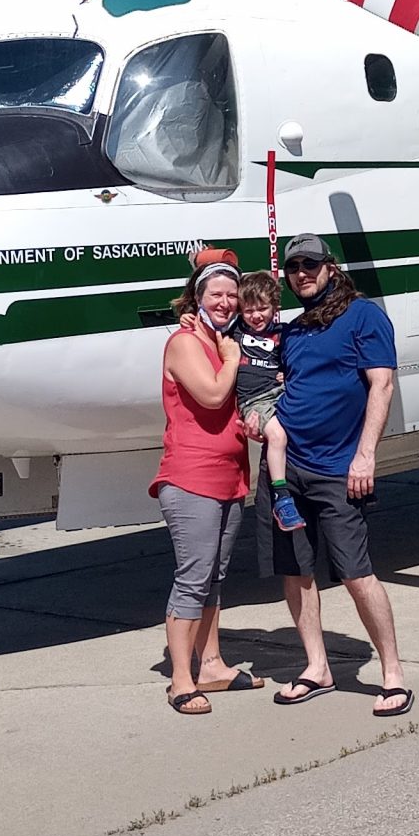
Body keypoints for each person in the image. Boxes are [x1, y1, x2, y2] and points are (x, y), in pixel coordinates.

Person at [266, 233, 411, 717]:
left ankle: (392, 674)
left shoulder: (364, 316)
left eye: (310, 264)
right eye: (293, 268)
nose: (301, 273)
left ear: (331, 267)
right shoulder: (294, 329)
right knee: (296, 573)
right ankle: (317, 667)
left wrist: (365, 455)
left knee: (356, 574)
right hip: (289, 473)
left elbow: (382, 385)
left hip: (337, 470)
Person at [150, 250, 262, 716]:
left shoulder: (219, 341)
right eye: (216, 294)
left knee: (214, 577)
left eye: (233, 294)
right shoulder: (185, 343)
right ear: (197, 298)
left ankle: (212, 663)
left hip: (230, 476)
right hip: (191, 478)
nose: (227, 302)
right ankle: (181, 679)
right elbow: (214, 395)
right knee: (193, 579)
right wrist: (233, 356)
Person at [234, 270, 302, 529]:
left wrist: (288, 374)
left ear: (275, 306)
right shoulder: (236, 332)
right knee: (277, 436)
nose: (256, 316)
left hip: (279, 393)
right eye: (248, 310)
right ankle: (282, 497)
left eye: (262, 308)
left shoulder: (283, 334)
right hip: (255, 400)